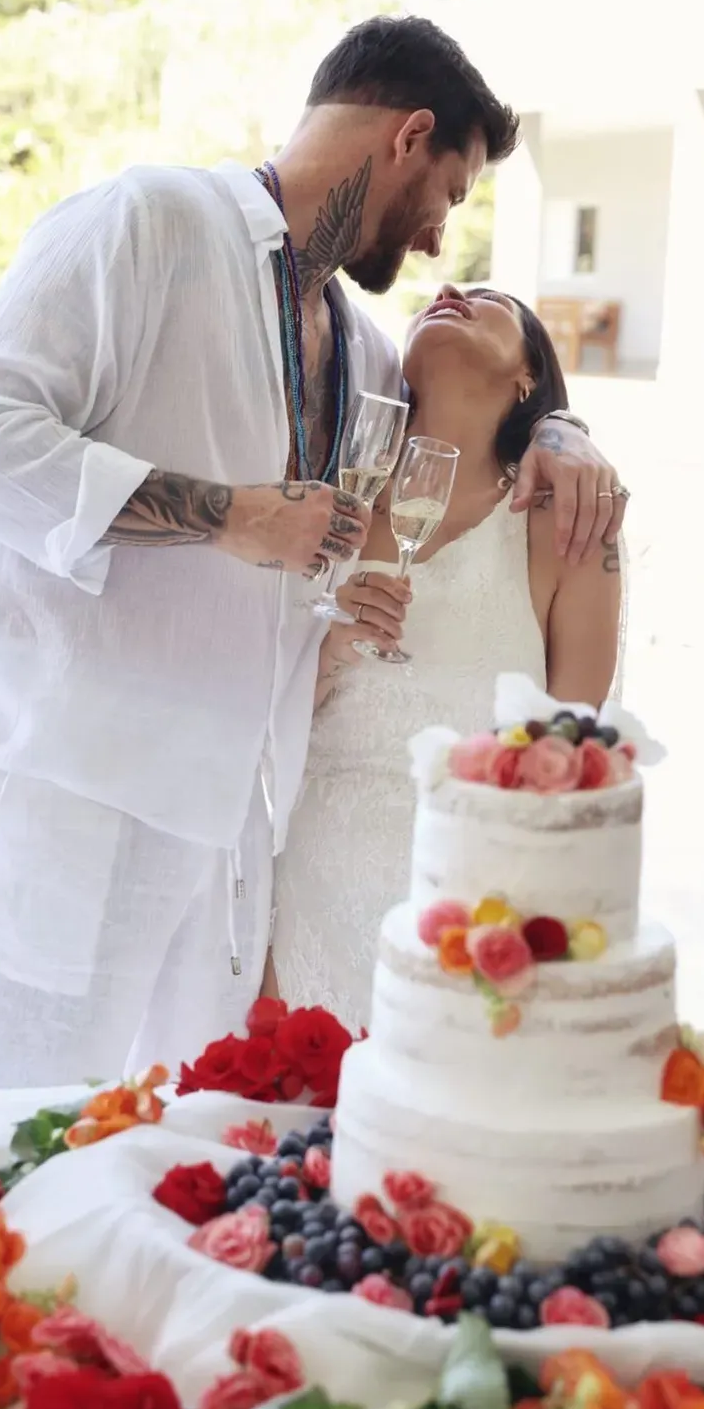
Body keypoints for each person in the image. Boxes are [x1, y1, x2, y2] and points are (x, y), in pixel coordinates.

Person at [0, 15, 628, 1094]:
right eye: (452, 195)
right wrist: (225, 514)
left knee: (151, 1168)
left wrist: (568, 436)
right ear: (409, 136)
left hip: (220, 850)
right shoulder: (146, 221)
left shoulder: (368, 354)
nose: (437, 241)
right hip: (64, 793)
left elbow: (483, 432)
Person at [271, 283, 623, 1031]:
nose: (451, 289)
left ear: (529, 376)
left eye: (490, 297)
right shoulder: (327, 495)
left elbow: (579, 759)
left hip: (474, 916)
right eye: (445, 290)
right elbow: (249, 715)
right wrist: (328, 654)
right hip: (303, 897)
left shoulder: (566, 523)